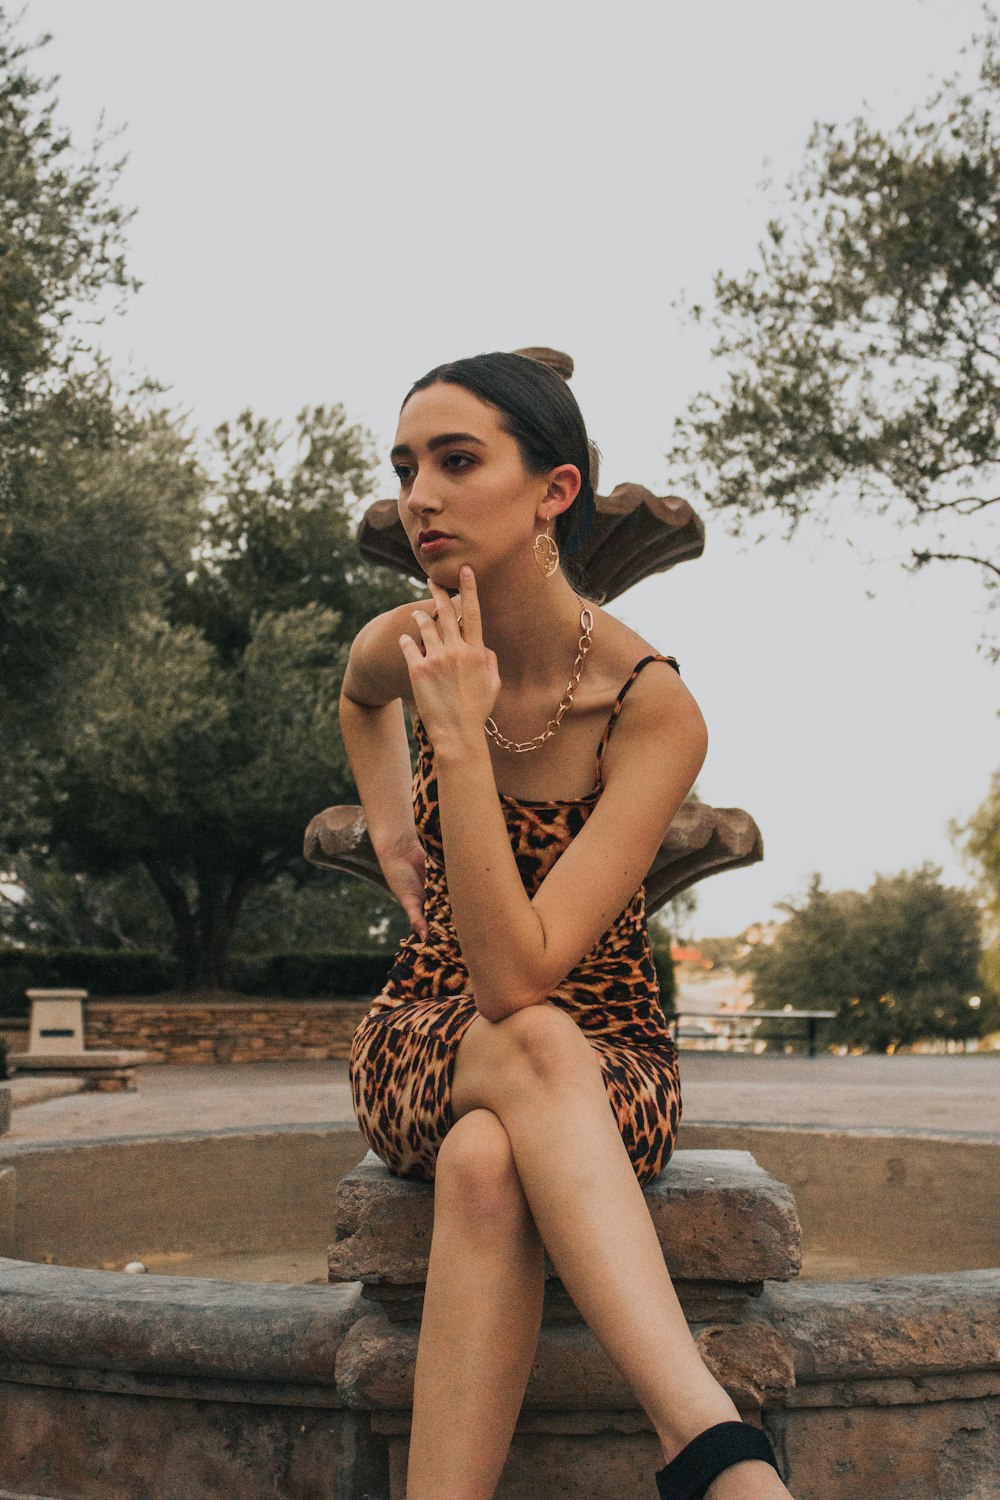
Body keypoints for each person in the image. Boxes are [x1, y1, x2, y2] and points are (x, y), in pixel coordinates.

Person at [339, 352, 793, 1500]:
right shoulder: (413, 641)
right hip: (430, 1036)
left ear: (554, 489)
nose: (419, 497)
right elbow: (357, 699)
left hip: (609, 1057)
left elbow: (533, 969)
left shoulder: (651, 706)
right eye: (404, 469)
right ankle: (707, 1441)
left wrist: (458, 744)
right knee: (524, 1046)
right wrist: (401, 820)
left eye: (456, 461)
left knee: (492, 1156)